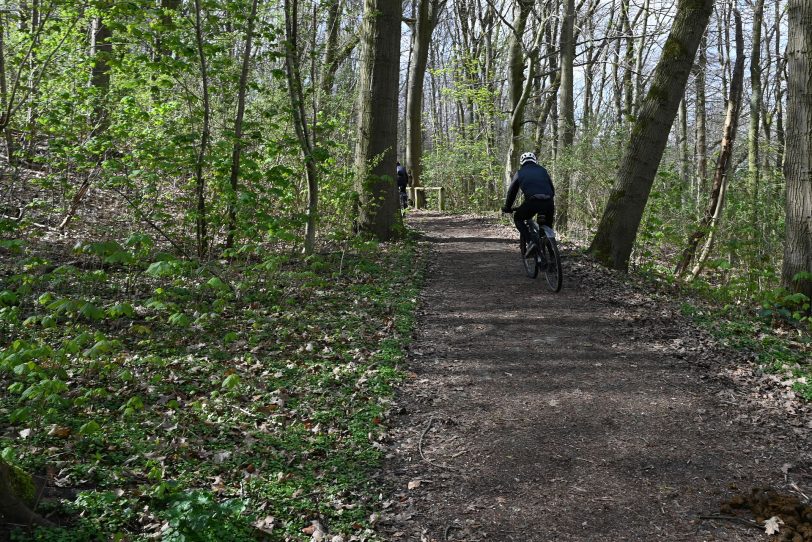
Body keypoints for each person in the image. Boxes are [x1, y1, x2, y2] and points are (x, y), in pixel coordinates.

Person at [501, 152, 555, 255]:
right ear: (535, 160)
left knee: (518, 218)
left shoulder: (520, 173)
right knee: (546, 226)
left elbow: (512, 191)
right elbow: (552, 189)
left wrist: (508, 207)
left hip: (532, 202)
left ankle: (530, 242)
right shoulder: (543, 170)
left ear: (522, 162)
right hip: (549, 202)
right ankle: (552, 254)